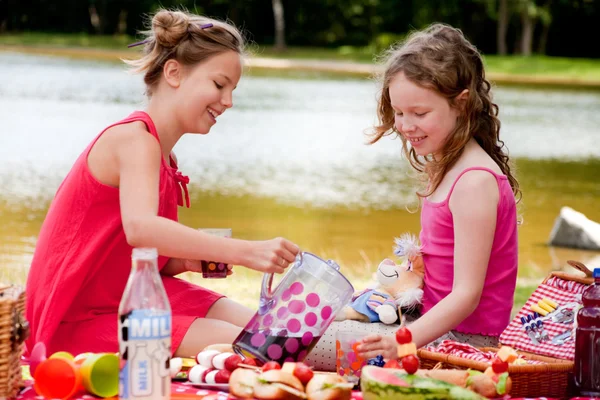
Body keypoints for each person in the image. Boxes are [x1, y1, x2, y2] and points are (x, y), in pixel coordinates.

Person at [25, 9, 299, 358]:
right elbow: (140, 229)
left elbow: (135, 252)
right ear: (174, 73)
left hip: (127, 295)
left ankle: (352, 350)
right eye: (219, 85)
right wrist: (247, 251)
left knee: (272, 333)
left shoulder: (163, 157)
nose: (228, 102)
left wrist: (183, 261)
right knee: (255, 348)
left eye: (232, 90)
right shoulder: (135, 141)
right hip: (76, 323)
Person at [356, 23, 520, 360]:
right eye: (398, 112)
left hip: (463, 344)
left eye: (419, 113)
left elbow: (466, 295)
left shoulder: (474, 181)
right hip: (429, 326)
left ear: (461, 104)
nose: (404, 125)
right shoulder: (450, 165)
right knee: (318, 323)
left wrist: (402, 341)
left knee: (309, 340)